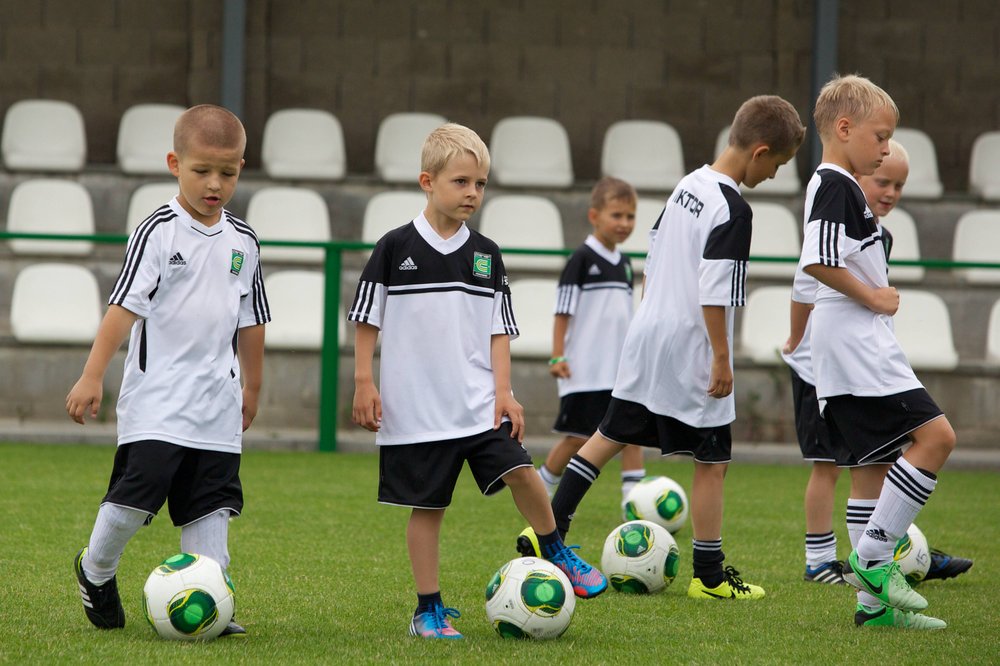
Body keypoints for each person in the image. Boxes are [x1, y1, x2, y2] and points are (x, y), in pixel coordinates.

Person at [518, 96, 805, 602]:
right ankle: (710, 576)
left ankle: (547, 532)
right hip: (690, 344)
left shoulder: (687, 185)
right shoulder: (732, 208)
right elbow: (715, 292)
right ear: (760, 153)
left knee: (607, 434)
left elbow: (652, 261)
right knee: (711, 459)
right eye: (778, 165)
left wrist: (655, 318)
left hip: (647, 331)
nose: (775, 175)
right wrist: (720, 356)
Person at [349, 123, 607, 641]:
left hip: (477, 405)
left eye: (481, 184)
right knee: (429, 510)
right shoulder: (393, 247)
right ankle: (428, 610)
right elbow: (366, 320)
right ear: (428, 181)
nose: (473, 193)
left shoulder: (486, 253)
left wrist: (504, 391)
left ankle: (552, 547)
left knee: (523, 472)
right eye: (461, 182)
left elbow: (498, 330)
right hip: (417, 412)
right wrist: (363, 381)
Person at [66, 104, 268, 636]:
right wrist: (92, 375)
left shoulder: (243, 242)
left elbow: (251, 321)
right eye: (202, 170)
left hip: (218, 401)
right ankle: (96, 570)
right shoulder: (158, 231)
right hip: (157, 398)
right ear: (175, 163)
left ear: (241, 169)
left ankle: (212, 604)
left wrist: (253, 386)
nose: (214, 183)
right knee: (138, 494)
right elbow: (122, 309)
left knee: (212, 505)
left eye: (227, 172)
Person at [794, 74, 956, 629]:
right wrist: (874, 297)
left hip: (856, 340)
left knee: (877, 463)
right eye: (881, 136)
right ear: (845, 129)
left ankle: (874, 610)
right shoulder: (835, 183)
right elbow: (815, 263)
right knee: (937, 437)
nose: (886, 148)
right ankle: (872, 557)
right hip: (855, 339)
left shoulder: (840, 185)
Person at [539, 176, 646, 508]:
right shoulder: (581, 260)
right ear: (594, 216)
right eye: (616, 215)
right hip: (584, 370)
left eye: (630, 217)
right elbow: (562, 312)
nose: (624, 223)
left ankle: (636, 503)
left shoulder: (625, 265)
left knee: (631, 436)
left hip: (617, 371)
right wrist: (558, 356)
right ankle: (540, 489)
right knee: (577, 439)